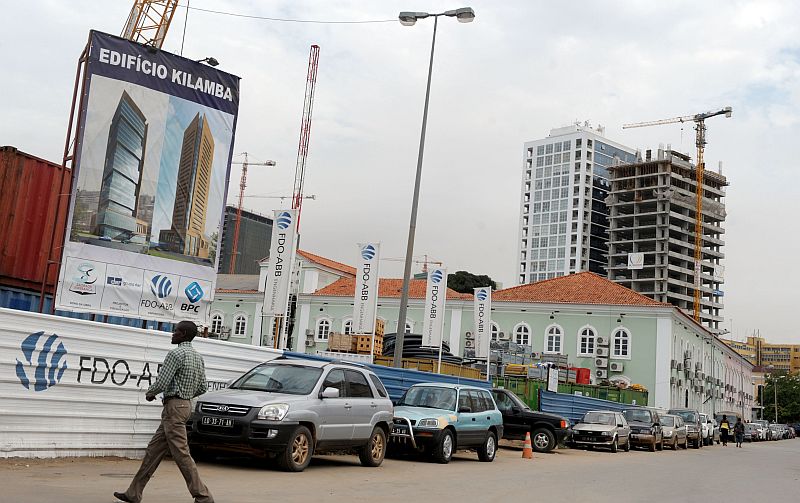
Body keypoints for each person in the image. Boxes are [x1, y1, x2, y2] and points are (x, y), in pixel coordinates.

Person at [114, 321, 214, 503]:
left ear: (183, 334)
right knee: (153, 451)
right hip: (184, 407)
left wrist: (150, 393)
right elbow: (203, 387)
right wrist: (186, 394)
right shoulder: (198, 357)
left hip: (173, 408)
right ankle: (133, 493)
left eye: (175, 331)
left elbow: (162, 382)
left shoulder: (175, 354)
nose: (172, 334)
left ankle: (203, 496)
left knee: (181, 454)